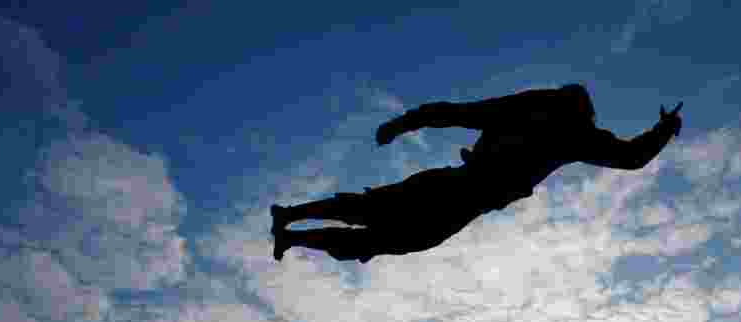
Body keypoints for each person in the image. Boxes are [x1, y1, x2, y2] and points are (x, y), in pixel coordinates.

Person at [270, 84, 683, 262]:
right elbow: (632, 157)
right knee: (375, 223)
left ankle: (291, 225)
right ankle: (291, 223)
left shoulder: (537, 114)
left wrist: (404, 123)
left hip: (458, 189)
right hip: (463, 194)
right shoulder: (569, 129)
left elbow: (454, 113)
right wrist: (664, 130)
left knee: (374, 221)